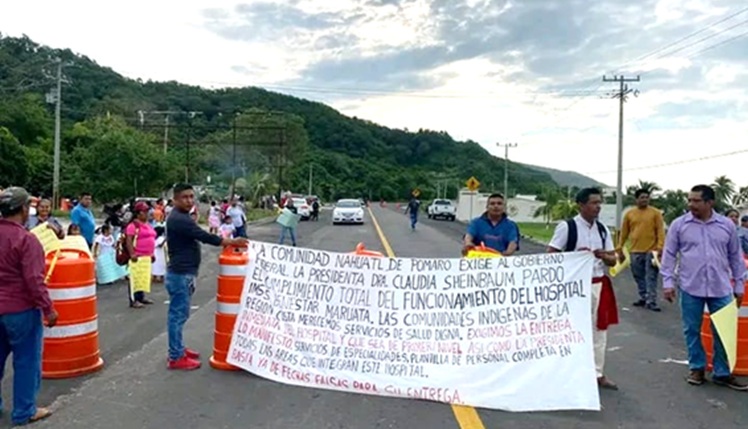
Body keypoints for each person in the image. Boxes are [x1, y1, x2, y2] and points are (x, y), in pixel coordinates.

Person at [660, 185, 747, 390]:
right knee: (692, 329)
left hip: (721, 287)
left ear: (710, 202)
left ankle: (722, 372)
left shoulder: (726, 225)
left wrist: (739, 284)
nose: (691, 204)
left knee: (723, 331)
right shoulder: (679, 225)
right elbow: (669, 254)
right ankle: (697, 368)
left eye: (696, 201)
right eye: (690, 200)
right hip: (691, 286)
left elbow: (735, 257)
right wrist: (667, 283)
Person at [165, 183, 247, 370]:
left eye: (191, 196)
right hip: (180, 274)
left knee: (180, 314)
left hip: (184, 273)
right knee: (177, 316)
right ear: (175, 200)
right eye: (184, 197)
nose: (189, 201)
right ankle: (175, 356)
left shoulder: (182, 216)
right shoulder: (179, 219)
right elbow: (203, 236)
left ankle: (178, 349)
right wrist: (230, 241)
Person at [547, 187, 619, 390]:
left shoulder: (602, 230)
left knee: (598, 331)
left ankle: (597, 373)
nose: (598, 207)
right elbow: (551, 255)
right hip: (574, 286)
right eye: (594, 203)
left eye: (599, 203)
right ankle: (567, 372)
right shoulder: (567, 227)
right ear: (581, 205)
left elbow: (613, 260)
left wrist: (604, 256)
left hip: (597, 284)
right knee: (571, 330)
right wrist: (575, 257)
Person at [0, 187, 58, 425]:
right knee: (26, 362)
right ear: (24, 209)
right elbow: (34, 280)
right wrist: (48, 308)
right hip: (20, 310)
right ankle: (24, 411)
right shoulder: (26, 239)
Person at [616, 189, 665, 312]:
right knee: (638, 275)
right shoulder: (630, 214)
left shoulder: (655, 213)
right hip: (635, 250)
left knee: (651, 276)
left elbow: (660, 231)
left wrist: (660, 247)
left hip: (651, 251)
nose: (645, 200)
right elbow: (624, 232)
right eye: (642, 197)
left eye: (646, 197)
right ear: (636, 199)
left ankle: (651, 301)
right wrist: (620, 246)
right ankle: (644, 296)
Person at [125, 202, 156, 308]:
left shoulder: (147, 224)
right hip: (137, 255)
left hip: (146, 256)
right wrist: (132, 253)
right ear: (138, 213)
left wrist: (152, 254)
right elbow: (129, 240)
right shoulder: (133, 226)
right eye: (145, 211)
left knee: (142, 277)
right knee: (135, 278)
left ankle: (141, 297)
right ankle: (134, 300)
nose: (147, 213)